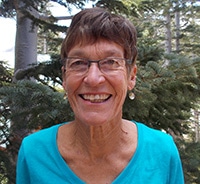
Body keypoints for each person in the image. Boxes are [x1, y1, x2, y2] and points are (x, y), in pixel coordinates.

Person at [16, 7, 184, 184]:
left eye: (111, 62)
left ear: (131, 76)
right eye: (79, 63)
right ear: (65, 77)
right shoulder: (34, 153)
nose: (93, 79)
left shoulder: (162, 152)